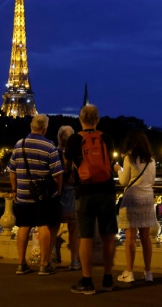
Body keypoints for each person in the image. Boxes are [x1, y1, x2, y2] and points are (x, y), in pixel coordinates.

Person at [65, 104, 118, 295]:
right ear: (98, 119)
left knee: (85, 237)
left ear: (80, 119)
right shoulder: (106, 138)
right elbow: (110, 163)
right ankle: (108, 277)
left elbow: (69, 163)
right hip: (107, 190)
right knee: (108, 236)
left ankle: (87, 281)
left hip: (85, 192)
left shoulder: (74, 140)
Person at [8, 114, 63, 276]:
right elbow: (58, 174)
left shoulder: (20, 144)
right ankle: (44, 264)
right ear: (45, 129)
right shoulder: (50, 146)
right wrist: (58, 191)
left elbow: (12, 171)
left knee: (24, 227)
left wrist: (14, 190)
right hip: (43, 196)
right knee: (44, 225)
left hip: (23, 193)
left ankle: (20, 263)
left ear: (31, 126)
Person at [114, 129, 156, 283]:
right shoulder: (151, 160)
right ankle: (148, 272)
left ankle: (130, 272)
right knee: (146, 238)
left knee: (130, 237)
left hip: (132, 199)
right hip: (147, 199)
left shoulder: (128, 158)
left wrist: (119, 171)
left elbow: (124, 182)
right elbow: (152, 181)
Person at [56, 125, 80, 270]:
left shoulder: (54, 153)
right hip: (73, 194)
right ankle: (75, 261)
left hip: (58, 195)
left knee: (53, 227)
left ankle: (49, 258)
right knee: (74, 228)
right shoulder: (76, 155)